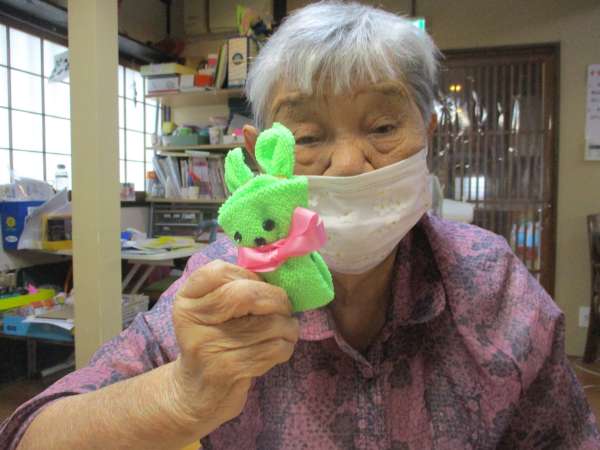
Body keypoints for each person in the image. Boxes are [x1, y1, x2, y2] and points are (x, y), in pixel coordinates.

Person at [2, 2, 599, 449]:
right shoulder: (219, 289)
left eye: (383, 127)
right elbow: (32, 435)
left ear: (428, 135)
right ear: (261, 157)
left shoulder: (491, 284)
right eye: (308, 137)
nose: (348, 163)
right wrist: (183, 392)